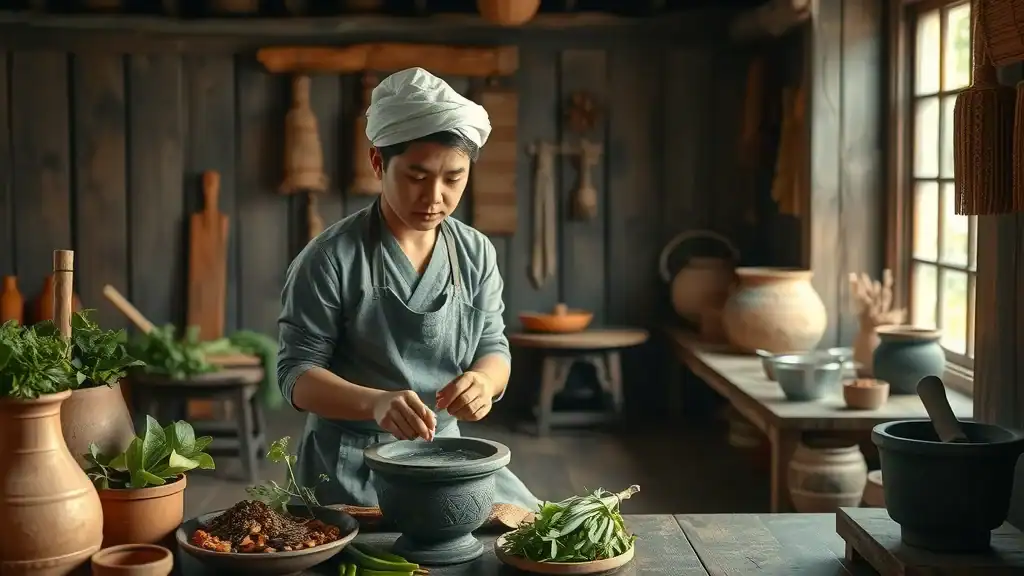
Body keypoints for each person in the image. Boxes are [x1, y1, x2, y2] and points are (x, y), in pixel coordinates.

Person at [277, 67, 539, 510]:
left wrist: (484, 381)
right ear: (378, 162)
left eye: (453, 178)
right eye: (417, 177)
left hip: (446, 455)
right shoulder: (328, 258)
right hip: (349, 463)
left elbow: (494, 345)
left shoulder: (477, 253)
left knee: (531, 527)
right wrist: (374, 403)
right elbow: (295, 376)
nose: (435, 196)